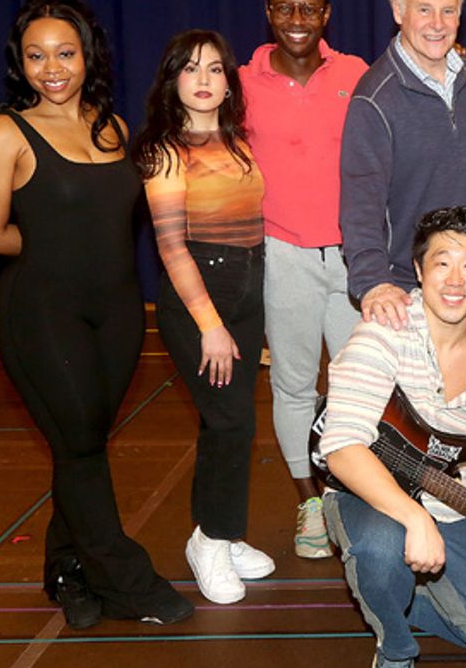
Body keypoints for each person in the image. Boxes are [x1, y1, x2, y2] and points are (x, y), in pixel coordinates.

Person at [0, 0, 192, 628]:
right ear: (21, 63)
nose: (52, 67)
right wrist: (50, 252)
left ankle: (65, 567)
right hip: (41, 311)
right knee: (83, 447)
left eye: (65, 52)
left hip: (118, 312)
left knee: (79, 442)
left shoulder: (112, 126)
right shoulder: (3, 132)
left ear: (88, 56)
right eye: (36, 56)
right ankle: (127, 578)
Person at [319, 206, 466, 668]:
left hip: (445, 499)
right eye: (441, 263)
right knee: (382, 549)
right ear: (418, 270)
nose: (454, 280)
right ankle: (394, 645)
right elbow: (341, 447)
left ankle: (391, 595)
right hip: (367, 491)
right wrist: (416, 521)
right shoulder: (385, 331)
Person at [134, 30, 275, 605]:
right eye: (190, 70)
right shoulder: (165, 151)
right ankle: (210, 541)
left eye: (215, 69)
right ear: (173, 80)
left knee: (234, 421)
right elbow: (171, 249)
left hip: (244, 293)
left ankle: (223, 529)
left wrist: (248, 315)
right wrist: (210, 325)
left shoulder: (237, 141)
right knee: (229, 422)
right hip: (200, 303)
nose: (203, 80)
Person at [239, 0, 369, 559]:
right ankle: (309, 505)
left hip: (350, 258)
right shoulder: (241, 83)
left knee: (355, 386)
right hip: (282, 255)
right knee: (293, 386)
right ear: (268, 13)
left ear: (326, 15)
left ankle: (351, 494)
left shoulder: (357, 74)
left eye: (308, 9)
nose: (297, 20)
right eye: (285, 8)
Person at [341, 0, 466, 332]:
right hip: (409, 293)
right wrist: (373, 282)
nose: (437, 24)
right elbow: (360, 203)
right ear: (397, 10)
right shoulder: (374, 99)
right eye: (424, 10)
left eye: (448, 11)